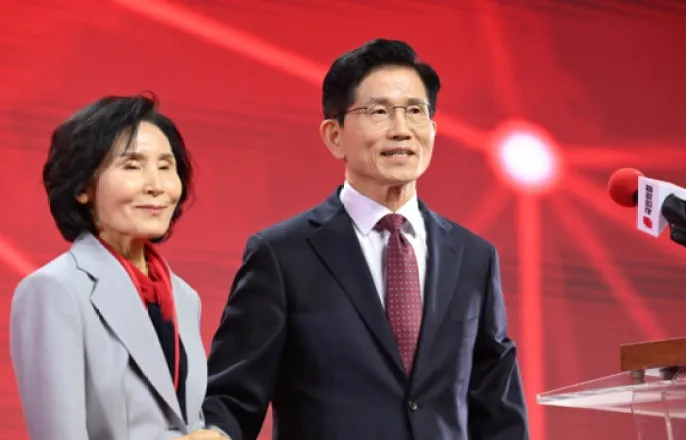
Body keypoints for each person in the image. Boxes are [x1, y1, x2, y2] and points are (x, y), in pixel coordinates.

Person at [203, 39, 529, 440]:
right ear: (334, 135)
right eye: (379, 112)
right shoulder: (282, 255)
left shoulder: (474, 257)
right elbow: (233, 399)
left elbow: (497, 410)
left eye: (415, 111)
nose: (401, 130)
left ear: (432, 129)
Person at [9, 94, 225, 440]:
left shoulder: (184, 297)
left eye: (165, 166)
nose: (156, 186)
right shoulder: (54, 290)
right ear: (83, 188)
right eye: (132, 166)